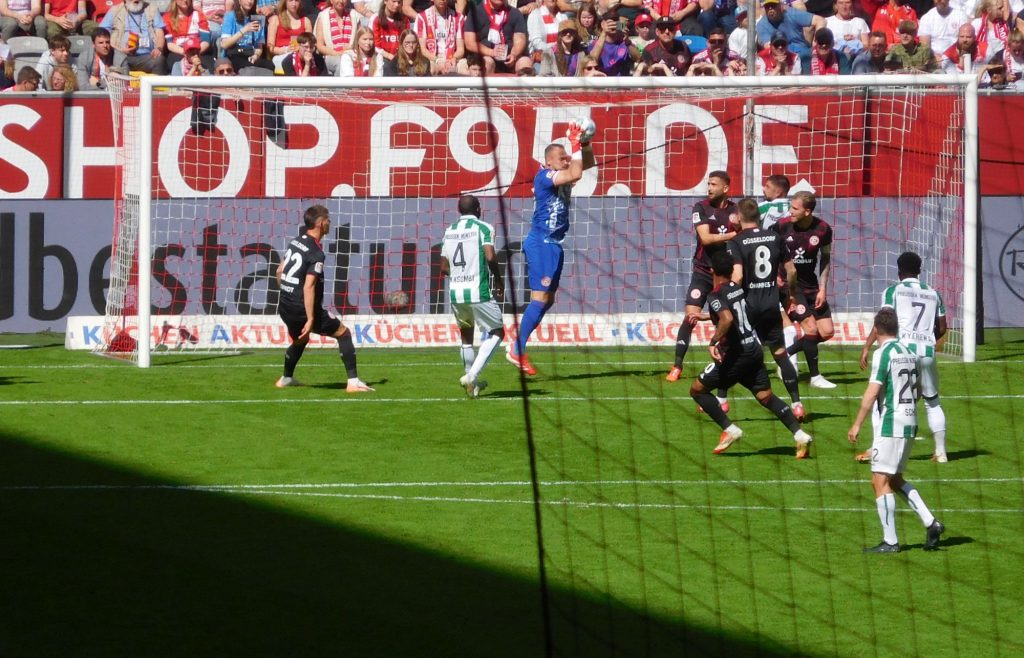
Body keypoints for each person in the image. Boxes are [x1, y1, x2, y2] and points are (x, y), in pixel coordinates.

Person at [689, 251, 814, 458]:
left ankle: (730, 430)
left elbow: (727, 319)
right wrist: (705, 317)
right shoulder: (737, 289)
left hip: (736, 355)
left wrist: (713, 342)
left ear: (712, 271)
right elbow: (737, 314)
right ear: (731, 270)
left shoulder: (715, 294)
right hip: (754, 349)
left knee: (697, 390)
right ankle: (800, 434)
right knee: (766, 396)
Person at [848, 307, 945, 554]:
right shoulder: (908, 352)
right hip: (910, 422)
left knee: (878, 480)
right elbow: (920, 390)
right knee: (895, 479)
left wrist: (857, 423)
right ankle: (931, 522)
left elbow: (872, 391)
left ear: (877, 329)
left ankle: (890, 541)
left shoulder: (883, 354)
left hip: (892, 423)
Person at [506, 119, 596, 376]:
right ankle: (517, 348)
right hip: (541, 241)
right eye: (560, 158)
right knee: (539, 298)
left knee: (548, 299)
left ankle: (518, 344)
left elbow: (584, 165)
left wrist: (584, 144)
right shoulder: (544, 176)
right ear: (548, 162)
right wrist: (575, 144)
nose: (566, 161)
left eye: (566, 158)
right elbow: (576, 172)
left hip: (554, 243)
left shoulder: (562, 176)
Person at [857, 251, 949, 463]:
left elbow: (885, 320)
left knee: (883, 400)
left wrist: (867, 346)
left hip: (901, 352)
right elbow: (942, 327)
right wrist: (927, 339)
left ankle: (876, 450)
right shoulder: (933, 292)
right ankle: (941, 453)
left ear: (899, 271)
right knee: (932, 402)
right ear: (919, 271)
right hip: (926, 352)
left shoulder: (893, 291)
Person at [275, 204, 373, 393]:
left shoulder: (295, 242)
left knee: (300, 340)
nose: (330, 223)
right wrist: (311, 318)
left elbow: (279, 271)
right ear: (320, 223)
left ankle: (286, 378)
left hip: (285, 306)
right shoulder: (316, 253)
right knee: (343, 333)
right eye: (328, 220)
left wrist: (287, 293)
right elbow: (309, 286)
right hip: (303, 309)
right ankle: (353, 382)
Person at [725, 198, 805, 419]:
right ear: (758, 216)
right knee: (780, 354)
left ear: (740, 217)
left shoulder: (737, 241)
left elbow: (738, 276)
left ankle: (721, 401)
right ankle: (797, 403)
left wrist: (730, 299)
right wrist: (790, 296)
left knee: (731, 350)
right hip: (771, 305)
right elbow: (792, 271)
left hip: (749, 305)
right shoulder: (775, 237)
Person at [665, 170, 737, 385]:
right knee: (690, 317)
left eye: (714, 184)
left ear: (725, 188)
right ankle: (677, 365)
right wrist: (734, 234)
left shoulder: (736, 211)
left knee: (726, 319)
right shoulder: (701, 207)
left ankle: (724, 365)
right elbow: (705, 238)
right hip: (703, 272)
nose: (709, 188)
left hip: (725, 275)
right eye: (708, 184)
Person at [440, 194, 506, 398]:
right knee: (497, 332)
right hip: (479, 290)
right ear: (478, 209)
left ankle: (472, 382)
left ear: (459, 210)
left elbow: (443, 267)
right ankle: (472, 375)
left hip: (456, 293)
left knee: (466, 336)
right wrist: (499, 279)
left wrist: (460, 276)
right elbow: (489, 255)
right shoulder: (484, 228)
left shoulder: (449, 231)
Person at [777, 191, 837, 389]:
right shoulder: (781, 226)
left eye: (795, 208)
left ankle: (786, 354)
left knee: (827, 332)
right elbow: (769, 250)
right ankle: (815, 377)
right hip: (790, 286)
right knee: (810, 328)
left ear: (807, 211)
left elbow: (826, 258)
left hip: (812, 286)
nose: (790, 211)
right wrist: (774, 276)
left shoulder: (823, 229)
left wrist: (822, 288)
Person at [99, 0, 167, 74]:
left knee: (160, 60)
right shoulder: (115, 11)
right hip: (122, 56)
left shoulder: (152, 9)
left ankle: (156, 85)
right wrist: (119, 50)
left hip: (147, 56)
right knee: (120, 63)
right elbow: (102, 34)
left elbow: (159, 32)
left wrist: (159, 48)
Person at [463, 0, 531, 74]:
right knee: (487, 63)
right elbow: (469, 43)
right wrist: (492, 52)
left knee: (525, 63)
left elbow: (520, 39)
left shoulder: (515, 13)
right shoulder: (475, 13)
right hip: (486, 56)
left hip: (509, 57)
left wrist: (513, 55)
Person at [756, 0, 825, 58]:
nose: (770, 8)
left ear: (780, 6)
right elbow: (769, 47)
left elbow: (820, 20)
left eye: (773, 5)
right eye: (767, 6)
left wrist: (816, 40)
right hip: (781, 56)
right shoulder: (761, 25)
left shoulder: (791, 14)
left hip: (802, 53)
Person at [221, 0, 274, 73]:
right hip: (234, 55)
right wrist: (245, 29)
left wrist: (256, 55)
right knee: (248, 68)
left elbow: (259, 46)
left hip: (250, 54)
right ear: (239, 1)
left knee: (270, 65)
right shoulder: (230, 16)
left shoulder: (258, 19)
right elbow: (224, 44)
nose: (249, 1)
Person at [414, 0, 464, 75]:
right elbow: (422, 49)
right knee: (430, 68)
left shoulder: (458, 18)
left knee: (464, 68)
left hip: (452, 58)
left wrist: (453, 59)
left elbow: (461, 49)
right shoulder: (422, 17)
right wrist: (437, 60)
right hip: (432, 59)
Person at [163, 0, 212, 74]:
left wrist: (195, 54)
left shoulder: (199, 15)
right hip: (178, 51)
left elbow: (206, 41)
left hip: (198, 51)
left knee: (208, 65)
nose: (185, 1)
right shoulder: (167, 17)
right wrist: (186, 53)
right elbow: (170, 44)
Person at [314, 0, 359, 75]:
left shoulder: (354, 15)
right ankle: (342, 87)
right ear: (331, 1)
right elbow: (320, 46)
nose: (341, 1)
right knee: (342, 63)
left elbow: (360, 40)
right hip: (331, 55)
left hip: (351, 54)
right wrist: (337, 53)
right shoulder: (323, 16)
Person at [268, 0, 313, 70]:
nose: (294, 4)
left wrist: (300, 48)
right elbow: (270, 47)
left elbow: (310, 45)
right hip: (282, 56)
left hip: (301, 57)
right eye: (290, 0)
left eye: (297, 1)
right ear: (285, 2)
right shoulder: (276, 19)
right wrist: (286, 49)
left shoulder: (306, 21)